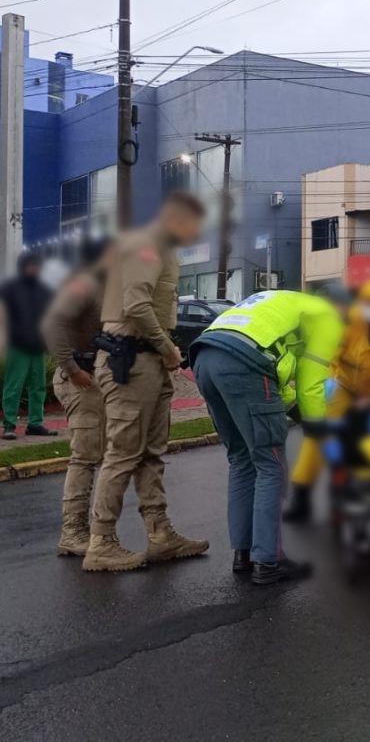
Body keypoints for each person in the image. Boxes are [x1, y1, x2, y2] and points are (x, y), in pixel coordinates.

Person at [83, 192, 210, 573]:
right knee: (123, 452)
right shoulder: (148, 246)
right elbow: (136, 305)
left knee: (151, 452)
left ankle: (160, 534)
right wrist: (168, 348)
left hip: (145, 362)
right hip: (132, 359)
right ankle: (101, 542)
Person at [191, 289, 344, 585]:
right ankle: (269, 561)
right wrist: (316, 425)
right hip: (245, 361)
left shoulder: (280, 303)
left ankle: (244, 554)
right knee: (270, 464)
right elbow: (311, 381)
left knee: (241, 460)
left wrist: (296, 411)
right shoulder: (328, 318)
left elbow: (277, 386)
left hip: (205, 356)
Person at [282, 277, 370, 523]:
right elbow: (327, 357)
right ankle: (301, 498)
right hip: (341, 383)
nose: (369, 312)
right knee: (320, 437)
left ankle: (352, 495)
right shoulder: (348, 321)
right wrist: (326, 391)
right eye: (366, 304)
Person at [41, 237, 114, 556]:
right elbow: (51, 323)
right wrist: (71, 368)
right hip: (80, 380)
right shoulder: (83, 282)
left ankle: (90, 530)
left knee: (97, 455)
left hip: (95, 378)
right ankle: (72, 532)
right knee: (84, 457)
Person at [1, 251, 56, 439]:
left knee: (39, 386)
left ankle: (35, 424)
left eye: (36, 264)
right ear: (22, 266)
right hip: (18, 345)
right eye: (30, 264)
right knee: (13, 386)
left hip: (38, 345)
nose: (34, 268)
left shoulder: (45, 290)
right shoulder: (10, 288)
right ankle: (9, 424)